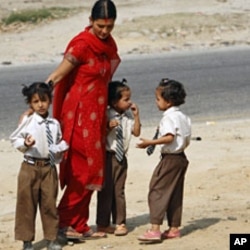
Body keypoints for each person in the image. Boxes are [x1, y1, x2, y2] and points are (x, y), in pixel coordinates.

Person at [44, 0, 121, 240]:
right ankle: (63, 222)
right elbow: (56, 76)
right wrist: (36, 102)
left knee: (93, 169)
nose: (105, 31)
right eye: (100, 26)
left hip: (96, 117)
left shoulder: (108, 45)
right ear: (90, 21)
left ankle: (79, 225)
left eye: (109, 26)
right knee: (82, 170)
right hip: (77, 117)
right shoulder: (81, 46)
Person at [9, 82, 69, 250]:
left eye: (44, 100)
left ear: (50, 101)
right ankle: (26, 240)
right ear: (30, 104)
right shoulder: (28, 121)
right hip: (30, 168)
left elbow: (57, 142)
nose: (40, 105)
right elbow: (15, 139)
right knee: (26, 204)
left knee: (49, 204)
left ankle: (51, 238)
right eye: (36, 102)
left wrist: (60, 148)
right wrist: (26, 143)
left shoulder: (54, 124)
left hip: (48, 168)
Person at [136, 78, 191, 243]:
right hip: (181, 158)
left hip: (170, 159)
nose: (156, 102)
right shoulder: (183, 116)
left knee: (157, 190)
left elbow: (169, 137)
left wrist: (149, 143)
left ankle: (155, 228)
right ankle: (174, 228)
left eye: (158, 99)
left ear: (168, 101)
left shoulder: (169, 118)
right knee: (174, 192)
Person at [96, 79, 141, 236]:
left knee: (119, 191)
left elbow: (136, 132)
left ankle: (120, 222)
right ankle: (102, 223)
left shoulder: (127, 116)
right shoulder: (107, 115)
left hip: (121, 158)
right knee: (105, 191)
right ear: (114, 101)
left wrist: (136, 116)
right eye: (126, 99)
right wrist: (108, 127)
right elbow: (100, 136)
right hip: (108, 157)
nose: (129, 102)